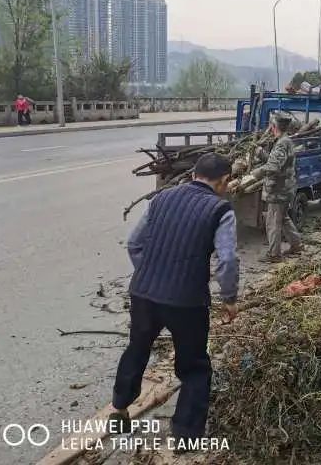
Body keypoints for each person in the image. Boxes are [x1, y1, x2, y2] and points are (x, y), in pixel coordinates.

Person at [109, 153, 239, 445]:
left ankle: (119, 411)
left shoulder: (161, 199)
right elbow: (227, 260)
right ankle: (186, 435)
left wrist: (151, 274)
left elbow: (134, 243)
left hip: (144, 294)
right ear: (223, 181)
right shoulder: (221, 210)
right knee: (194, 366)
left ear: (194, 175)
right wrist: (229, 298)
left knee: (137, 349)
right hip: (187, 302)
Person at [244, 113, 302, 263]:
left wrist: (254, 174)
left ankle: (274, 254)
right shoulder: (285, 141)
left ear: (274, 127)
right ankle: (297, 245)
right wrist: (260, 153)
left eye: (271, 126)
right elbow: (275, 159)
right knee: (283, 219)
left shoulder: (282, 143)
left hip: (278, 190)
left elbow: (274, 166)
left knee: (273, 222)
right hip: (285, 188)